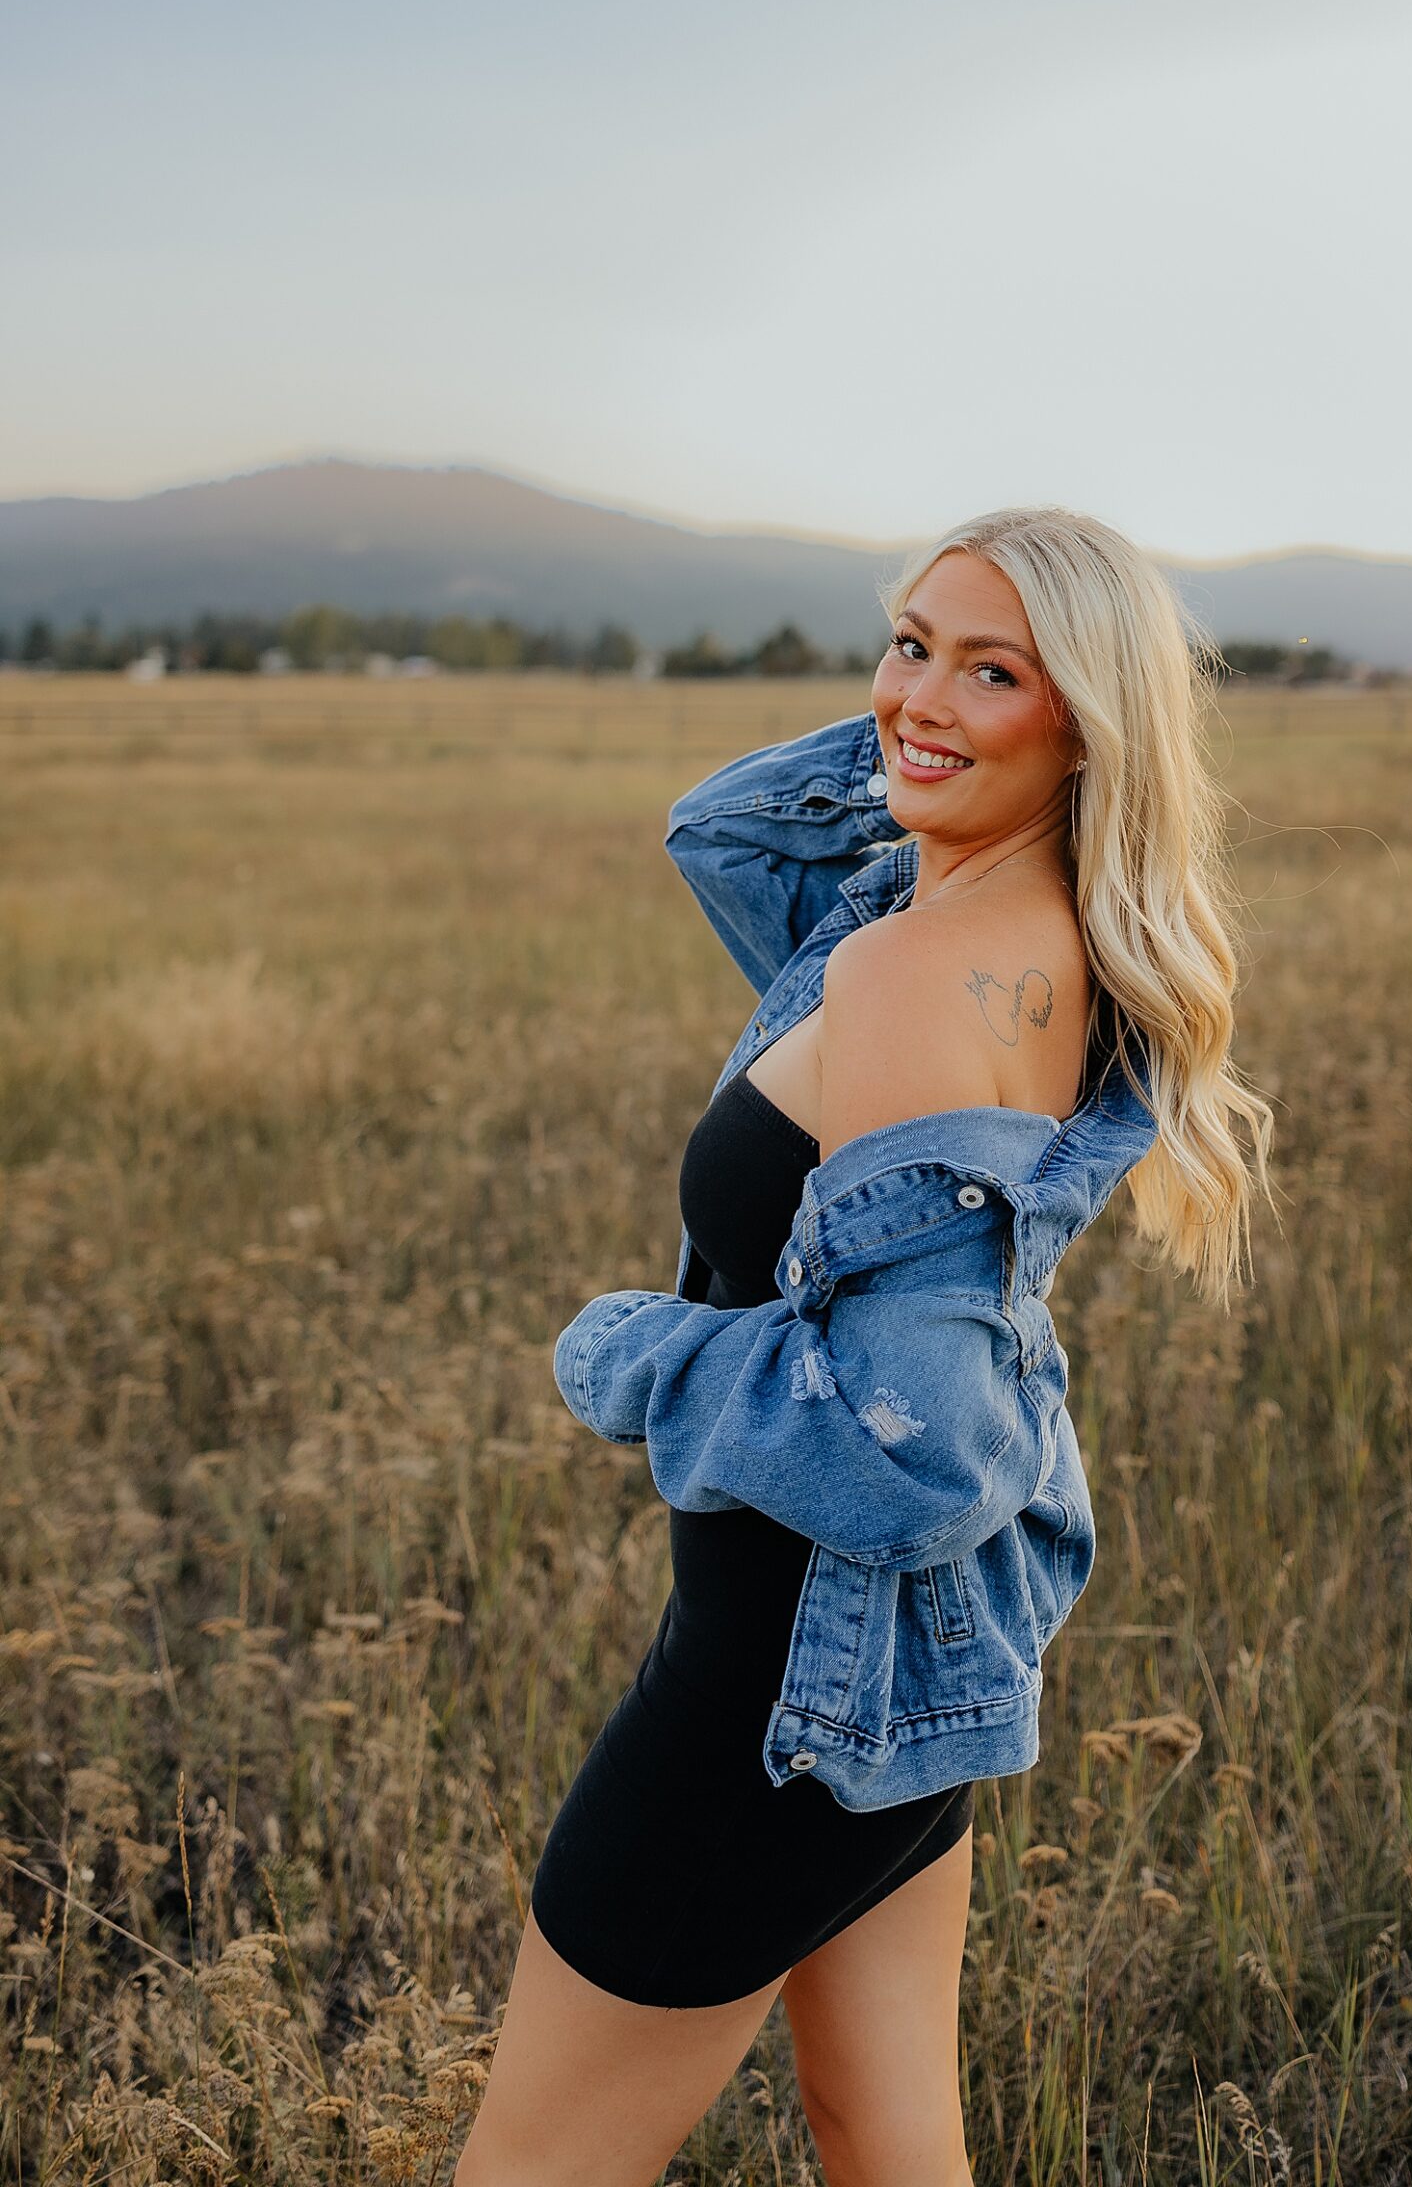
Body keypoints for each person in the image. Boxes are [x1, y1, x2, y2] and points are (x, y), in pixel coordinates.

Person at [455, 507, 1274, 2187]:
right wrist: (954, 729)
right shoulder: (998, 925)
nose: (918, 696)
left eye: (998, 670)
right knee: (885, 2145)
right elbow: (726, 828)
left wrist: (632, 1355)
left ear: (1093, 722)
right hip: (904, 1681)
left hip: (773, 1699)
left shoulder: (915, 969)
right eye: (910, 643)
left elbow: (921, 1456)